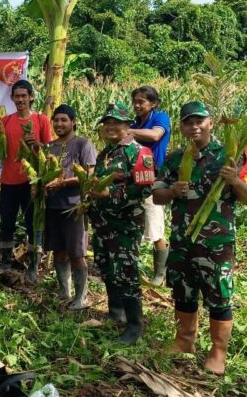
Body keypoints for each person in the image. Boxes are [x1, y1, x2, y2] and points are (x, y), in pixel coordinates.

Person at [152, 101, 247, 375]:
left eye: (199, 120)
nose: (194, 126)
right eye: (188, 122)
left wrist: (234, 180)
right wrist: (173, 190)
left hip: (216, 242)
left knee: (219, 295)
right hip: (183, 239)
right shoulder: (175, 159)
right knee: (183, 291)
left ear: (210, 123)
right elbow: (156, 196)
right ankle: (185, 341)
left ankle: (218, 352)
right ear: (183, 127)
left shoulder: (231, 154)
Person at [88, 102, 155, 345]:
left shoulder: (139, 152)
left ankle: (134, 325)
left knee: (126, 272)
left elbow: (145, 188)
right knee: (106, 266)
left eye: (117, 122)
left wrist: (111, 195)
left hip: (125, 224)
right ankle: (115, 313)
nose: (111, 126)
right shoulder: (105, 154)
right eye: (107, 122)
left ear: (128, 125)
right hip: (102, 223)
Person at [0, 79, 53, 274]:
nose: (20, 100)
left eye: (23, 96)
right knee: (7, 222)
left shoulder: (41, 120)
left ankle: (35, 263)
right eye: (16, 96)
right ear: (11, 98)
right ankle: (5, 262)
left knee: (33, 223)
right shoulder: (5, 121)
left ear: (31, 97)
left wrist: (37, 144)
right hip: (9, 181)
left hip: (32, 182)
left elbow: (50, 150)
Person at [44, 104, 97, 310]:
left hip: (75, 207)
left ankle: (80, 296)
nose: (59, 124)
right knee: (58, 250)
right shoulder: (49, 147)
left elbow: (89, 175)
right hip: (53, 206)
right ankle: (64, 292)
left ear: (73, 122)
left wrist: (64, 182)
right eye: (56, 120)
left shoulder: (83, 144)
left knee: (77, 253)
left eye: (64, 120)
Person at [128, 86, 171, 286]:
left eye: (141, 102)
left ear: (153, 103)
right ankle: (131, 268)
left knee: (155, 225)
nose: (137, 105)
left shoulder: (160, 118)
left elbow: (155, 136)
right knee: (134, 222)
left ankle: (160, 273)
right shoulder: (137, 122)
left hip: (154, 177)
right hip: (135, 178)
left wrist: (127, 131)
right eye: (135, 101)